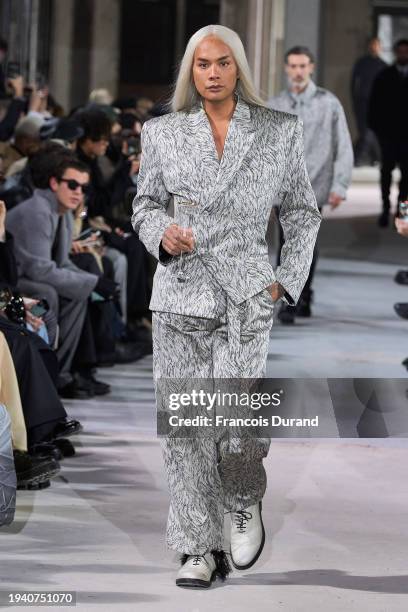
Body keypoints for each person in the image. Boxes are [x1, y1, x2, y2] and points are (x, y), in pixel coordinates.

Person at [132, 25, 321, 589]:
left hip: (246, 295)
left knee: (234, 421)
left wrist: (283, 281)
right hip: (180, 295)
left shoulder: (276, 130)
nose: (211, 73)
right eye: (200, 65)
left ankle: (243, 497)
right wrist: (161, 232)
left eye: (222, 63)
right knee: (187, 426)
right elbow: (143, 206)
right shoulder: (162, 133)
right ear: (190, 72)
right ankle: (197, 545)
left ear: (238, 67)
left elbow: (302, 214)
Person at [6, 155, 116, 394]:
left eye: (83, 188)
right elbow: (38, 268)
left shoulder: (62, 211)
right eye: (72, 185)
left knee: (78, 294)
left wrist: (92, 284)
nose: (78, 193)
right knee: (48, 294)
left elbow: (63, 262)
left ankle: (61, 375)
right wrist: (93, 282)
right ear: (54, 183)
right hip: (12, 289)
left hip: (30, 279)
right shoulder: (36, 211)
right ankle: (46, 380)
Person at [268, 45, 353, 323]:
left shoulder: (328, 103)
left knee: (305, 242)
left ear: (311, 67)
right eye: (293, 66)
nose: (298, 71)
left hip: (314, 184)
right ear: (286, 69)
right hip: (283, 187)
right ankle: (297, 296)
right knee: (286, 243)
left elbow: (343, 145)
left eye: (302, 66)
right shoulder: (275, 105)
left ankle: (297, 297)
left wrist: (339, 185)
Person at [369, 39, 408, 227]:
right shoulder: (384, 76)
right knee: (386, 173)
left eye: (405, 52)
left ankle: (402, 214)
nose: (403, 55)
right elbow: (374, 105)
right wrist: (377, 130)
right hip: (388, 136)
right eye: (400, 52)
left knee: (407, 177)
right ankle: (385, 209)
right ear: (395, 53)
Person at [351, 37, 387, 166]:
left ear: (380, 47)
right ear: (369, 46)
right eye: (373, 45)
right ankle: (374, 158)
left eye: (377, 45)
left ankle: (359, 158)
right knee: (365, 131)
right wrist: (355, 101)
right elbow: (353, 84)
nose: (375, 47)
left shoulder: (383, 65)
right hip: (362, 103)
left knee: (371, 132)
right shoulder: (361, 63)